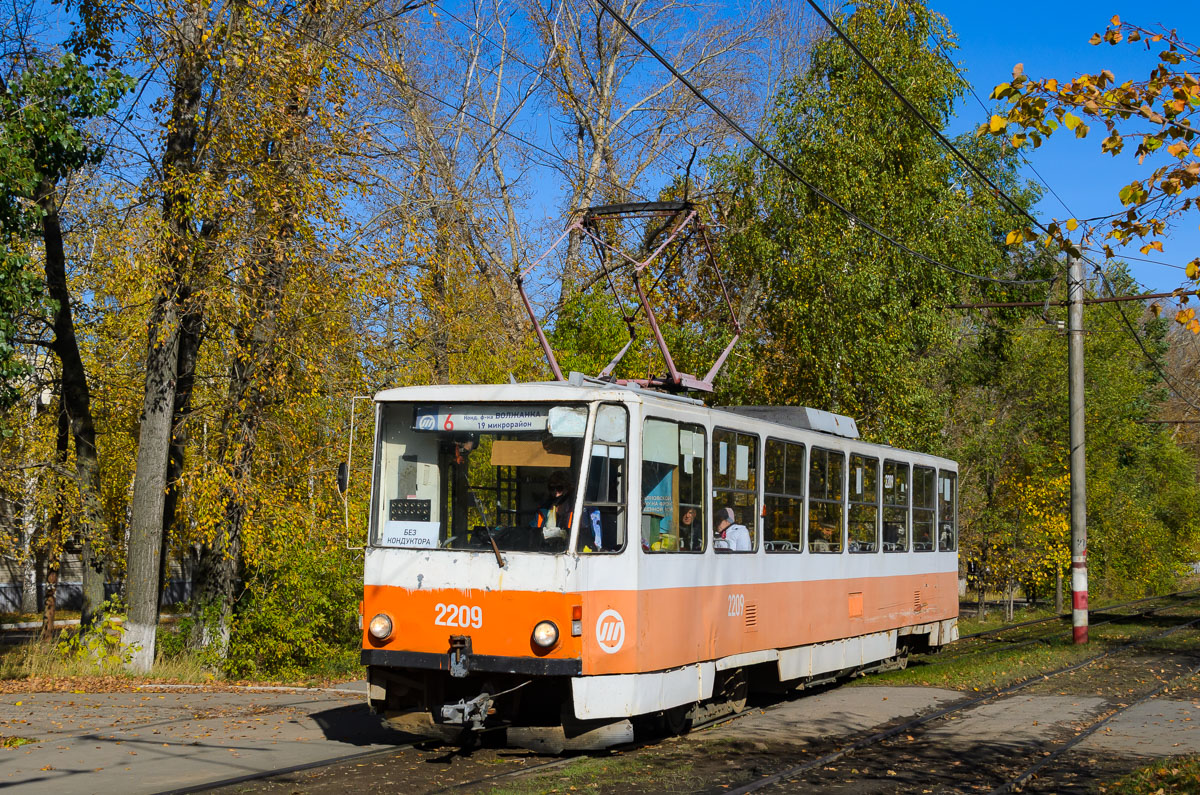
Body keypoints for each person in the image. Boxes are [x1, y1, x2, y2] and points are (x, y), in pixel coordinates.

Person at [536, 471, 574, 543]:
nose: (555, 491)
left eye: (559, 488)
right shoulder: (544, 508)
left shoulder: (575, 508)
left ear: (567, 488)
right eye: (552, 488)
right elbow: (535, 529)